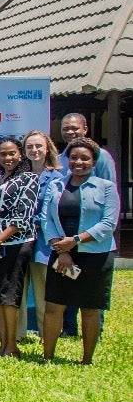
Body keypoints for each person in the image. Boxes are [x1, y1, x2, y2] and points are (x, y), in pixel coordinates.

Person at [40, 138, 119, 365]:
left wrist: (74, 241)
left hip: (96, 255)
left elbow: (108, 224)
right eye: (74, 158)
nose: (78, 162)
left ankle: (86, 360)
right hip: (61, 253)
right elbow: (47, 220)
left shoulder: (106, 188)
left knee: (90, 307)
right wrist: (62, 249)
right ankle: (48, 357)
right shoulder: (57, 186)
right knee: (54, 304)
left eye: (84, 158)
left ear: (94, 161)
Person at [0, 137, 40, 358]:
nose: (7, 158)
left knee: (9, 294)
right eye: (3, 154)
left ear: (20, 154)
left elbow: (23, 216)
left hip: (14, 244)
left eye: (12, 153)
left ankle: (11, 346)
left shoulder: (29, 179)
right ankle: (3, 344)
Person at [19, 129, 63, 343]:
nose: (34, 150)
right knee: (19, 288)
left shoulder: (57, 177)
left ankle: (48, 334)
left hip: (43, 242)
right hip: (18, 240)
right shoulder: (20, 176)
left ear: (47, 149)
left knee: (43, 289)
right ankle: (18, 334)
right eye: (30, 147)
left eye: (38, 146)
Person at [58, 113, 117, 181]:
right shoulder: (59, 159)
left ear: (85, 130)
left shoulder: (100, 155)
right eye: (65, 129)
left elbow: (109, 185)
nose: (70, 132)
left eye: (75, 128)